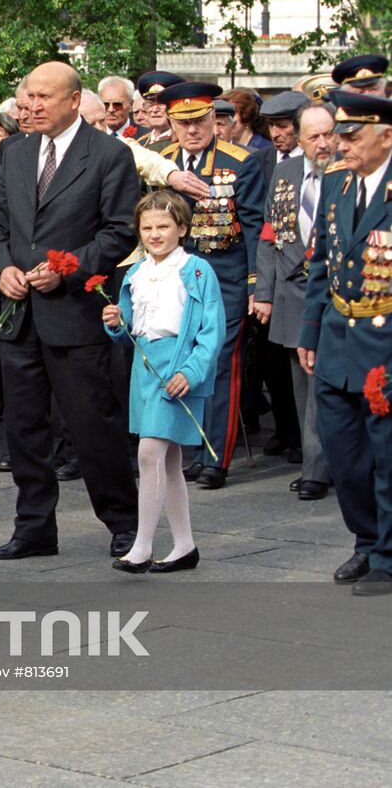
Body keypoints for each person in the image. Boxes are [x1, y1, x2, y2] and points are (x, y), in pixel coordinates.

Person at [0, 61, 140, 560]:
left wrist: (68, 268)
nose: (31, 106)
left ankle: (123, 522)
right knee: (25, 427)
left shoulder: (109, 156)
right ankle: (33, 527)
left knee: (94, 424)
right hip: (19, 312)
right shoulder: (14, 149)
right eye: (27, 96)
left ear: (74, 100)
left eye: (43, 97)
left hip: (74, 311)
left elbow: (119, 231)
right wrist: (2, 268)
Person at [298, 89, 392, 595]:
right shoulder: (337, 186)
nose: (341, 144)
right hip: (337, 335)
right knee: (344, 450)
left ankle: (388, 554)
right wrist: (310, 331)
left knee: (387, 453)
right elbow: (321, 263)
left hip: (386, 340)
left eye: (353, 136)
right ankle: (366, 540)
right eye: (340, 134)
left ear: (387, 136)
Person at [104, 191, 223, 573]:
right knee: (167, 461)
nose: (155, 235)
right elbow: (132, 326)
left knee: (150, 453)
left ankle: (141, 546)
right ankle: (185, 545)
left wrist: (190, 371)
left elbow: (211, 329)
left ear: (182, 228)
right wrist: (115, 323)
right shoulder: (136, 272)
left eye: (164, 227)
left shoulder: (197, 270)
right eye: (147, 228)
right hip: (145, 368)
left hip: (176, 368)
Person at [155, 81, 266, 489]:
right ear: (171, 123)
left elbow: (254, 227)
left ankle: (216, 457)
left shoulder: (241, 162)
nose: (192, 131)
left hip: (226, 277)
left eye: (200, 121)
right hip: (176, 278)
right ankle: (192, 450)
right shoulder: (163, 161)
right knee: (183, 361)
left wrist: (257, 284)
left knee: (220, 365)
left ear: (214, 121)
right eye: (183, 123)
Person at [255, 103, 336, 500]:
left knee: (328, 382)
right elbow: (269, 235)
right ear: (299, 140)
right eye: (314, 136)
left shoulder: (347, 171)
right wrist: (265, 293)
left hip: (336, 296)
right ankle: (316, 464)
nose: (323, 143)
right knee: (302, 386)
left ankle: (323, 468)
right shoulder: (286, 172)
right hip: (290, 292)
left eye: (328, 134)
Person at [134, 71, 183, 149]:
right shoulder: (140, 143)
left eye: (161, 104)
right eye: (150, 104)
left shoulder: (181, 143)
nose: (155, 110)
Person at [98, 75, 148, 140]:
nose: (111, 110)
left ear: (131, 104)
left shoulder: (147, 137)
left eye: (117, 105)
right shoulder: (91, 136)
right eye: (105, 104)